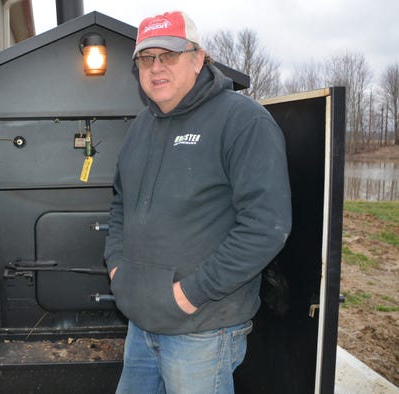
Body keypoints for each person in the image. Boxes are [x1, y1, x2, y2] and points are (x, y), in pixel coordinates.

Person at [104, 10, 292, 394]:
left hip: (202, 330)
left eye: (168, 55)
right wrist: (117, 270)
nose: (156, 67)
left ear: (198, 58)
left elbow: (265, 227)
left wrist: (191, 294)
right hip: (141, 323)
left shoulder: (243, 121)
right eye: (146, 58)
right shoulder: (141, 126)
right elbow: (120, 204)